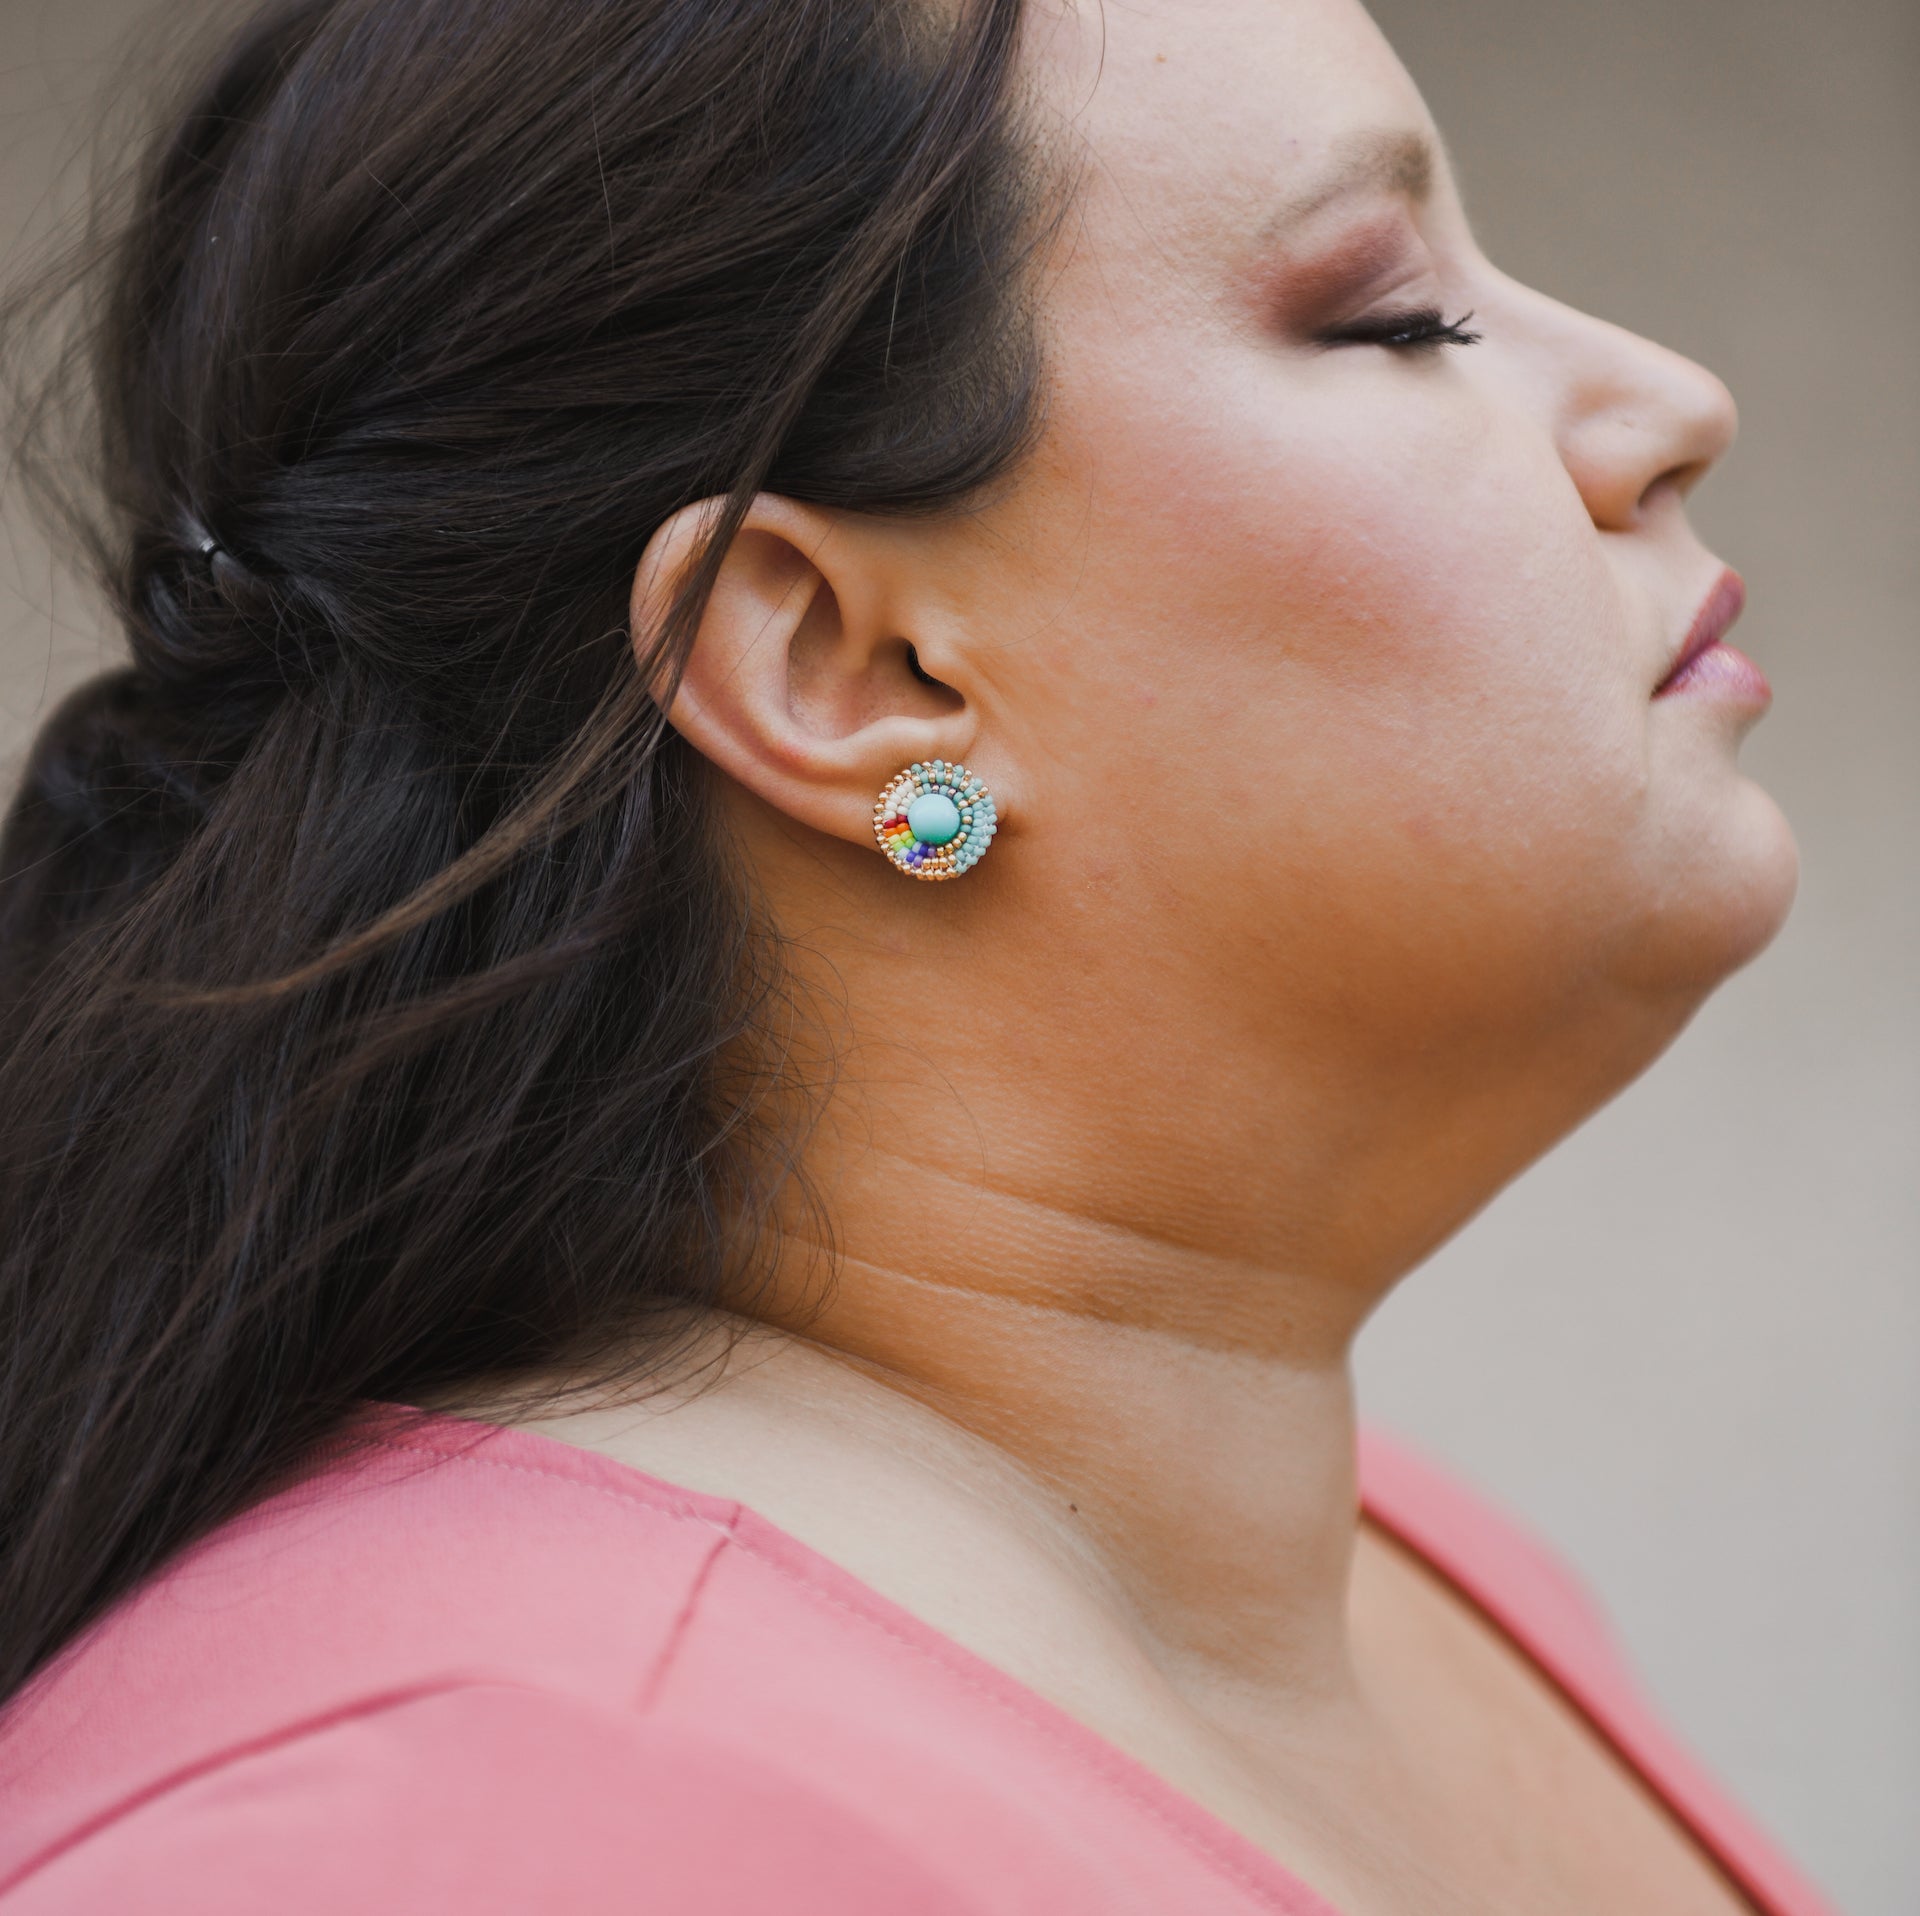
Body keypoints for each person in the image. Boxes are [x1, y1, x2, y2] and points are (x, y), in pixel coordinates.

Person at [0, 0, 1832, 1910]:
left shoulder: (1404, 1572)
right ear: (855, 671)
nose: (1668, 400)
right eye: (1394, 315)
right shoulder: (480, 1830)